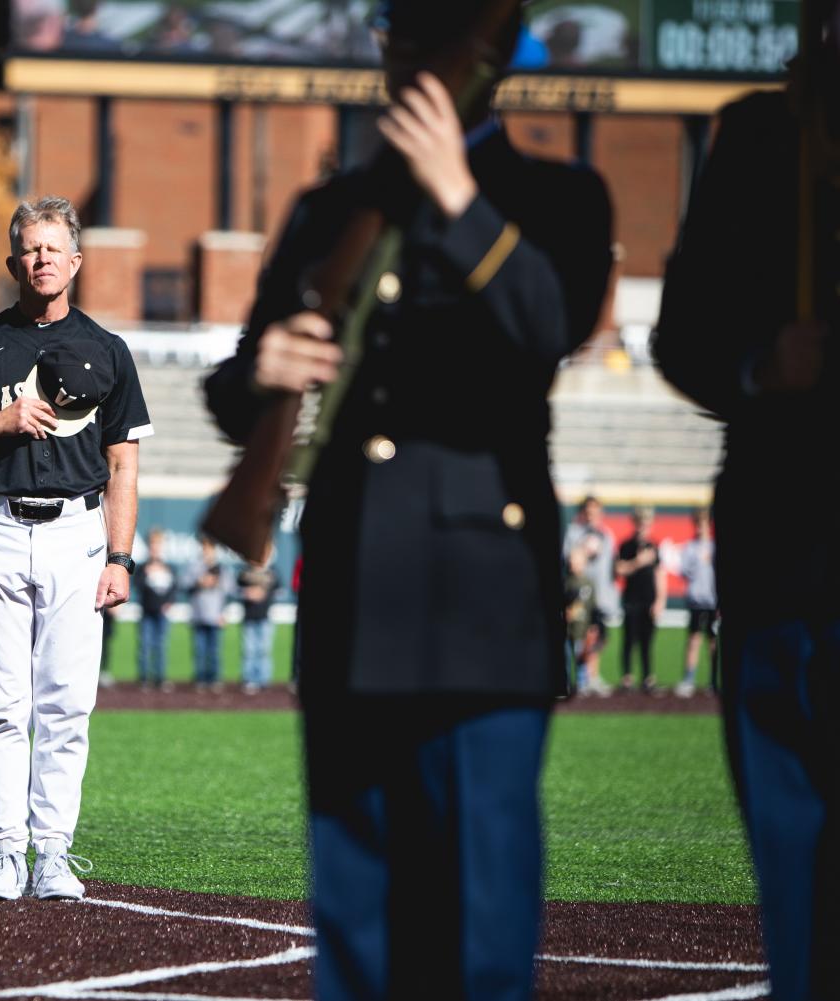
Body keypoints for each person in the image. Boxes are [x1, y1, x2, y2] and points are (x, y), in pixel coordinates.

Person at [203, 0, 613, 995]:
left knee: (478, 926)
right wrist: (264, 366)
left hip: (481, 603)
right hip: (353, 596)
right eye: (396, 38)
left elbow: (547, 327)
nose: (407, 60)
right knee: (356, 927)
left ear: (486, 59)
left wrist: (456, 195)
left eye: (431, 38)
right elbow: (229, 396)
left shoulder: (555, 195)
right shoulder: (326, 207)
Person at [654, 4, 840, 991]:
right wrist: (761, 367)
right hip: (786, 553)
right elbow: (680, 335)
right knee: (795, 866)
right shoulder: (765, 135)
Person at [0, 195, 152, 901]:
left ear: (75, 261)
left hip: (78, 533)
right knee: (2, 703)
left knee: (65, 704)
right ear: (14, 259)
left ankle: (52, 851)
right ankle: (7, 853)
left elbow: (124, 467)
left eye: (55, 247)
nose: (43, 258)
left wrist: (120, 556)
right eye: (30, 247)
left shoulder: (109, 350)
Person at [562, 496, 617, 694]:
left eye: (596, 511)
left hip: (599, 594)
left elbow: (611, 566)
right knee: (577, 637)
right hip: (580, 594)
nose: (592, 515)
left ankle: (593, 675)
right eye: (589, 511)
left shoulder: (606, 535)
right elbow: (569, 557)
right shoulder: (575, 532)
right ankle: (579, 677)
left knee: (596, 636)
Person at [615, 506, 664, 693]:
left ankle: (648, 678)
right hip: (631, 599)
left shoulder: (654, 546)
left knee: (647, 641)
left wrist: (660, 600)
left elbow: (660, 575)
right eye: (640, 522)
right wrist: (638, 561)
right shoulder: (626, 546)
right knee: (629, 640)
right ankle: (627, 677)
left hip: (649, 599)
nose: (643, 526)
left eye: (646, 523)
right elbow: (619, 570)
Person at [677, 508, 717, 698]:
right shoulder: (690, 547)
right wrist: (697, 563)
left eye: (703, 524)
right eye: (697, 524)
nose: (700, 528)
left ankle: (713, 680)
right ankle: (689, 678)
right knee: (694, 639)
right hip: (695, 600)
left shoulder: (715, 547)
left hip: (712, 601)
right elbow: (683, 571)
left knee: (713, 641)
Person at [134, 528, 176, 691]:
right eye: (153, 544)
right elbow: (137, 584)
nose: (155, 548)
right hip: (147, 611)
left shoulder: (168, 567)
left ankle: (160, 678)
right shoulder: (143, 567)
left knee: (161, 645)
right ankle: (144, 678)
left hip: (162, 613)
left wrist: (169, 602)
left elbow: (174, 587)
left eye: (158, 544)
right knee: (145, 645)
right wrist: (146, 575)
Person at [186, 537, 228, 692]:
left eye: (210, 548)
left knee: (214, 650)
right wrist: (199, 582)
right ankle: (201, 678)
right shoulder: (195, 566)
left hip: (215, 616)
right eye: (204, 548)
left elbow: (228, 591)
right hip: (198, 614)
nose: (207, 551)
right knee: (199, 650)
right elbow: (184, 584)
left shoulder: (221, 568)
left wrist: (223, 613)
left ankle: (214, 678)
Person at [564, 540, 599, 695]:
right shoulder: (566, 581)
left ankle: (582, 683)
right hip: (566, 628)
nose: (573, 564)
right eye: (571, 561)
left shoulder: (587, 583)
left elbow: (590, 605)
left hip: (581, 628)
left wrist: (593, 625)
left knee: (581, 657)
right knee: (565, 657)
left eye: (576, 561)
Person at [238, 558, 278, 694]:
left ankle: (263, 679)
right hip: (249, 616)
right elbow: (237, 587)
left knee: (264, 650)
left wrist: (262, 593)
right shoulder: (245, 572)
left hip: (265, 616)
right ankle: (249, 679)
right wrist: (248, 592)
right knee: (249, 650)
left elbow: (278, 588)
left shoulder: (271, 572)